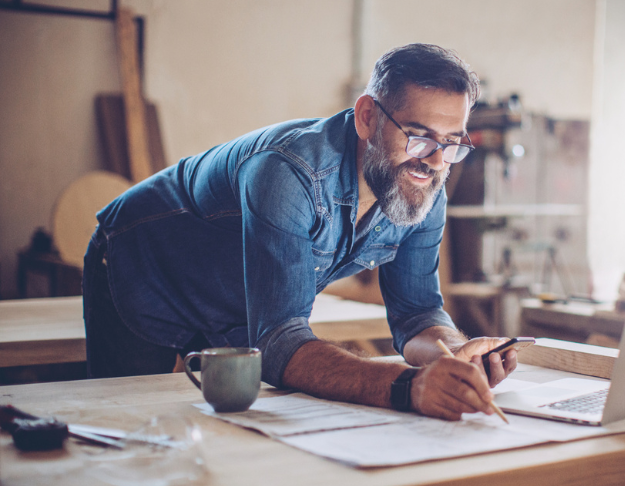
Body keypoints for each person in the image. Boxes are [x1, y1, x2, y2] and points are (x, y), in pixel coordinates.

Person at [83, 43, 518, 421]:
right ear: (367, 117)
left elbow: (418, 314)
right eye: (420, 137)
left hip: (237, 305)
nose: (436, 162)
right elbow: (279, 343)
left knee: (227, 442)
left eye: (452, 144)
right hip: (143, 269)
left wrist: (455, 354)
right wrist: (407, 387)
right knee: (134, 430)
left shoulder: (424, 190)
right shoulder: (287, 174)